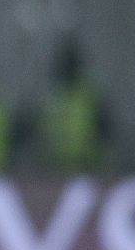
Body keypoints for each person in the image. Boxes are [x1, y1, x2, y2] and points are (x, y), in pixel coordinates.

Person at [34, 37, 111, 171]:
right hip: (56, 169)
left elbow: (106, 133)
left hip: (86, 167)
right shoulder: (52, 99)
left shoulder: (90, 98)